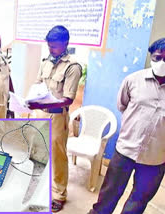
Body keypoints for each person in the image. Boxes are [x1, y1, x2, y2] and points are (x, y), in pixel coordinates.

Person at [88, 38, 165, 214]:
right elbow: (123, 105)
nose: (161, 63)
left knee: (139, 200)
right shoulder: (133, 80)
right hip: (125, 150)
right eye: (157, 57)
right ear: (151, 56)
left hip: (156, 158)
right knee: (108, 194)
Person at [28, 25, 82, 212]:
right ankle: (40, 186)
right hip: (39, 114)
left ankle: (59, 194)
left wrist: (40, 105)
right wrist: (29, 100)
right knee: (38, 151)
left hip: (57, 118)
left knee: (58, 156)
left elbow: (67, 99)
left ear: (65, 44)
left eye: (55, 46)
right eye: (49, 45)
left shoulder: (73, 66)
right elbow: (37, 84)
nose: (51, 49)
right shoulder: (46, 61)